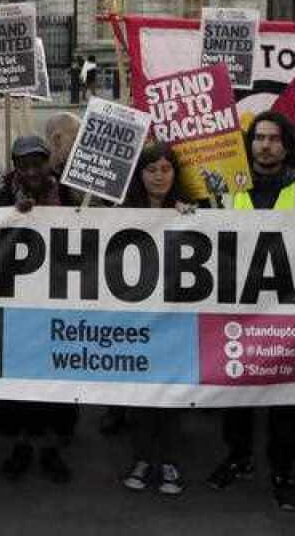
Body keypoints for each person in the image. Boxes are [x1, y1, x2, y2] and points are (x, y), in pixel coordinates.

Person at [206, 112, 295, 511]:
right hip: (238, 309)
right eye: (258, 138)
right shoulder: (228, 191)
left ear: (287, 145)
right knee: (237, 393)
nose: (265, 145)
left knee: (285, 400)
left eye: (273, 138)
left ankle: (283, 472)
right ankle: (238, 457)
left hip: (287, 313)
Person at [0, 135, 77, 484]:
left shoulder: (68, 193)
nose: (32, 170)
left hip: (59, 300)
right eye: (24, 164)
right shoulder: (0, 196)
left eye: (38, 162)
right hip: (15, 304)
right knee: (18, 383)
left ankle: (52, 448)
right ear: (16, 167)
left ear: (48, 163)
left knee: (57, 381)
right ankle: (21, 444)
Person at [119, 142, 195, 496]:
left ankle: (170, 461)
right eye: (151, 169)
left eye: (166, 169)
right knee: (141, 396)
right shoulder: (121, 211)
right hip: (136, 317)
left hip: (176, 319)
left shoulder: (192, 210)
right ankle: (142, 458)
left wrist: (191, 217)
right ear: (140, 174)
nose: (159, 176)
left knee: (170, 396)